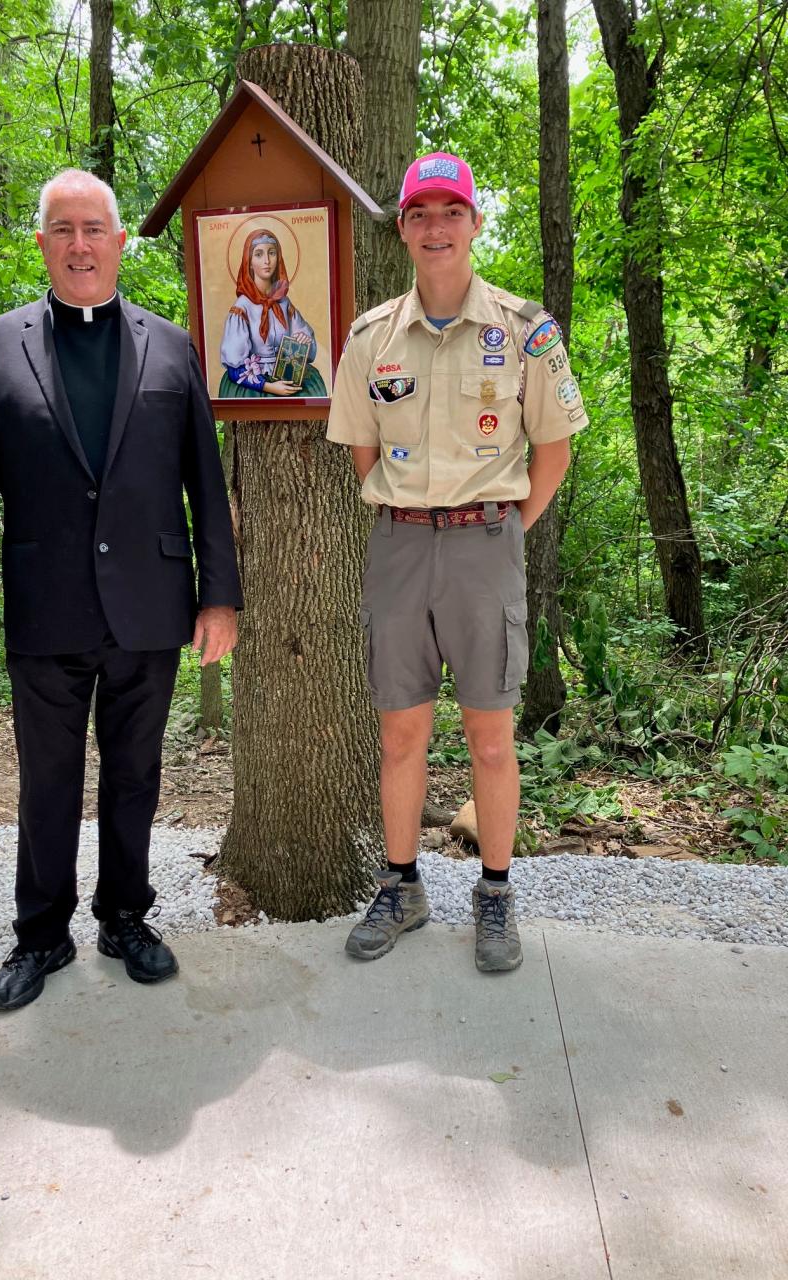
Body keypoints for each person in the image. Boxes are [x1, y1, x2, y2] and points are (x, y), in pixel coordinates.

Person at [0, 169, 242, 1012]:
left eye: (94, 229)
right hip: (46, 604)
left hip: (150, 602)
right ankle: (41, 935)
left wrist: (219, 596)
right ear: (43, 243)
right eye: (63, 229)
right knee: (47, 779)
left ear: (119, 242)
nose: (80, 244)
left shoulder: (172, 347)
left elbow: (204, 486)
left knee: (136, 775)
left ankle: (125, 917)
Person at [327, 152, 588, 972]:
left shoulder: (522, 328)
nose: (435, 227)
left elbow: (554, 450)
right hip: (401, 544)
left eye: (450, 211)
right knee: (400, 734)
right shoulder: (373, 336)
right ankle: (402, 886)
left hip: (485, 546)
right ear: (402, 228)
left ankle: (496, 895)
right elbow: (362, 452)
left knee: (491, 738)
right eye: (418, 213)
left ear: (474, 223)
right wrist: (420, 516)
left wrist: (499, 527)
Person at [219, 228, 327, 398]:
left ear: (279, 258)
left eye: (272, 253)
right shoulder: (242, 308)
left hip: (287, 375)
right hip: (256, 385)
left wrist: (303, 340)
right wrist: (270, 388)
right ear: (249, 262)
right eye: (259, 254)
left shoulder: (284, 303)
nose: (267, 261)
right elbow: (234, 368)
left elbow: (309, 350)